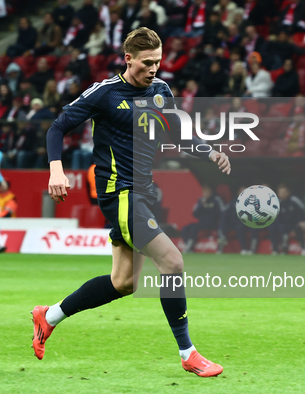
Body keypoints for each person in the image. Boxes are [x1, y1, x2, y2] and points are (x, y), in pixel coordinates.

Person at [36, 27, 229, 377]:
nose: (153, 69)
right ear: (128, 59)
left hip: (144, 193)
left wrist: (210, 151)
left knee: (123, 282)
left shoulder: (160, 91)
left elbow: (179, 136)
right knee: (172, 262)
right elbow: (57, 128)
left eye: (158, 62)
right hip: (119, 193)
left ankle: (48, 316)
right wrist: (56, 170)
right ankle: (188, 353)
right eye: (146, 63)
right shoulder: (105, 94)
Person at [181, 184, 224, 253]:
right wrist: (201, 205)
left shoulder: (216, 199)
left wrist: (207, 208)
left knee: (194, 229)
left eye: (207, 191)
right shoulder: (200, 200)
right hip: (201, 223)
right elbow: (194, 213)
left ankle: (189, 247)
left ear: (211, 192)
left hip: (212, 223)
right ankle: (188, 244)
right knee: (186, 228)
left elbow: (221, 212)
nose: (205, 193)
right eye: (204, 192)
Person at [269, 184, 305, 254]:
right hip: (282, 224)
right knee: (272, 227)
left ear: (288, 193)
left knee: (285, 227)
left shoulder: (294, 200)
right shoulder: (277, 203)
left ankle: (284, 248)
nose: (282, 194)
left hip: (294, 223)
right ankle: (274, 249)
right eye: (280, 192)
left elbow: (302, 212)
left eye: (284, 192)